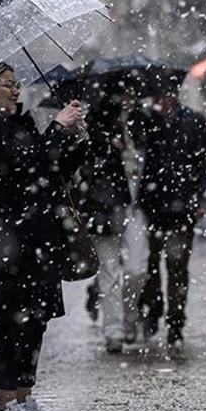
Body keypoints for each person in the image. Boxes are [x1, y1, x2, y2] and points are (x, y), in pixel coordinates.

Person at [0, 62, 88, 411]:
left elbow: (50, 171)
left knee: (36, 320)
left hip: (40, 237)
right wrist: (56, 127)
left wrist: (76, 140)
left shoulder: (21, 124)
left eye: (17, 84)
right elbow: (23, 168)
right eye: (7, 84)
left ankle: (24, 397)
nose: (16, 90)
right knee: (11, 322)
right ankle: (6, 404)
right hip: (9, 241)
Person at [127, 84, 206, 350]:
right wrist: (136, 111)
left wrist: (203, 198)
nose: (163, 99)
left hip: (182, 207)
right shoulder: (147, 119)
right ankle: (153, 310)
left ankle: (175, 322)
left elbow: (204, 161)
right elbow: (136, 139)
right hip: (153, 206)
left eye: (168, 93)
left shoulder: (194, 121)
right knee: (149, 265)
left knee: (177, 268)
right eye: (159, 94)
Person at [74, 92, 133, 353]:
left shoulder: (133, 126)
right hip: (103, 211)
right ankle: (114, 329)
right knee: (110, 270)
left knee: (121, 270)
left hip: (117, 209)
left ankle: (117, 327)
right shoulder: (98, 136)